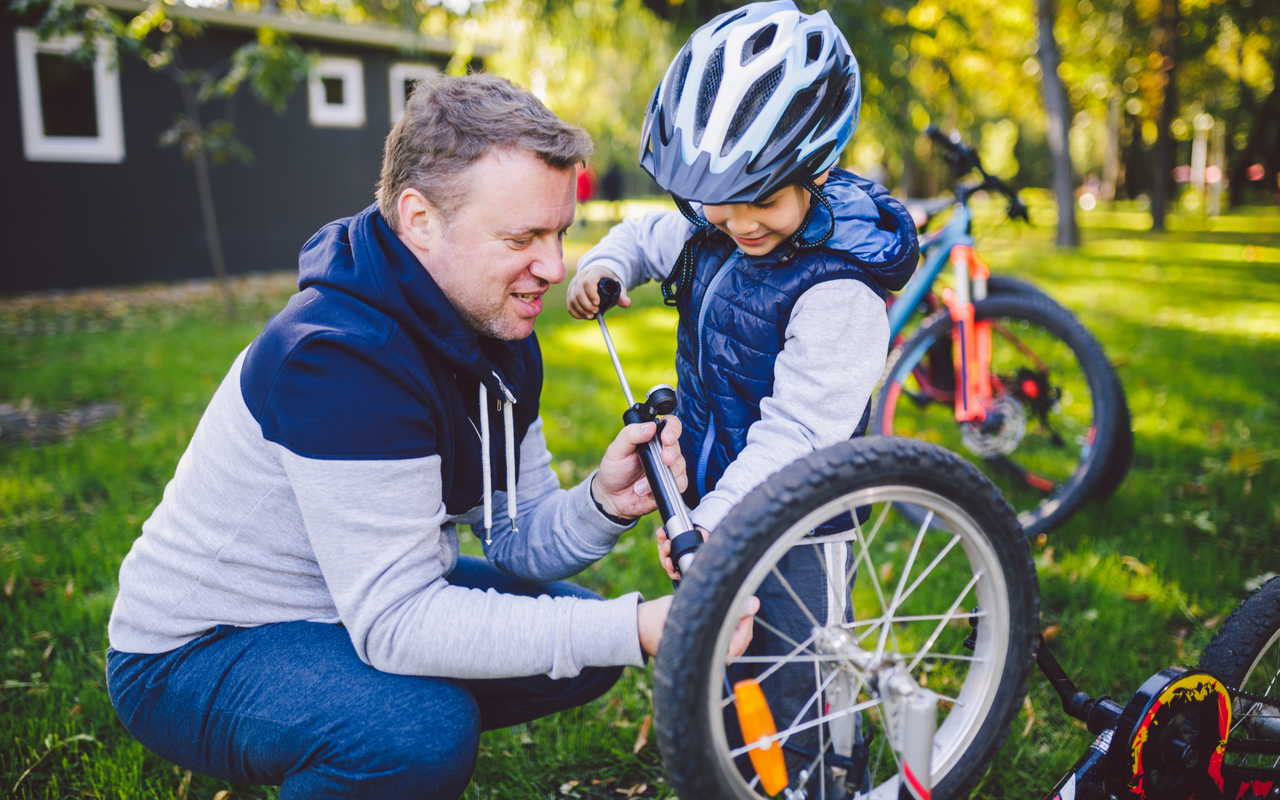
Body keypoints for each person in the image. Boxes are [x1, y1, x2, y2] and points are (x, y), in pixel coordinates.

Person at [105, 73, 755, 800]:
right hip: (195, 650)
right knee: (418, 731)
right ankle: (366, 738)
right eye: (522, 237)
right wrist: (635, 628)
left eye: (560, 233)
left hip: (346, 604)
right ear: (418, 219)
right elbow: (397, 620)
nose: (553, 266)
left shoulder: (492, 320)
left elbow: (515, 540)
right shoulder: (336, 358)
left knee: (576, 636)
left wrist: (603, 500)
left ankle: (354, 725)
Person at [566, 1, 918, 789]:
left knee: (798, 665)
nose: (736, 225)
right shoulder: (715, 224)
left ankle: (817, 776)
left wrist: (717, 524)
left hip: (799, 521)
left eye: (760, 202)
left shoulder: (839, 296)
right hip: (721, 498)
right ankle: (741, 765)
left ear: (817, 168)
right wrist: (607, 267)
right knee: (727, 654)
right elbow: (645, 235)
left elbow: (800, 437)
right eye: (717, 205)